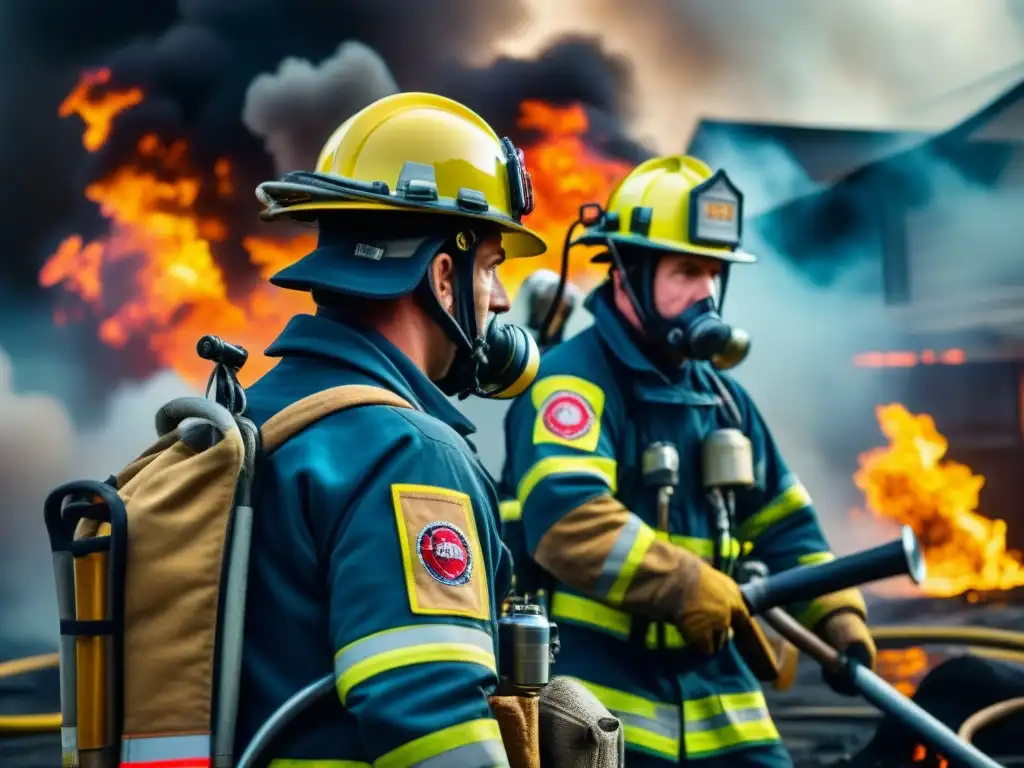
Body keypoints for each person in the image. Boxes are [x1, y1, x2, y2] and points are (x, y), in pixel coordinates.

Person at [499, 155, 876, 766]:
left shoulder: (724, 399)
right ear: (626, 274)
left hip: (721, 703)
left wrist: (838, 617)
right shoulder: (572, 384)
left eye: (713, 273)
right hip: (601, 707)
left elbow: (786, 525)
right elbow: (568, 521)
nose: (705, 291)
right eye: (685, 271)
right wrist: (683, 582)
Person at [234, 92, 545, 767]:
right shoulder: (410, 454)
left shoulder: (256, 417)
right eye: (491, 266)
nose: (501, 298)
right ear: (441, 277)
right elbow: (436, 735)